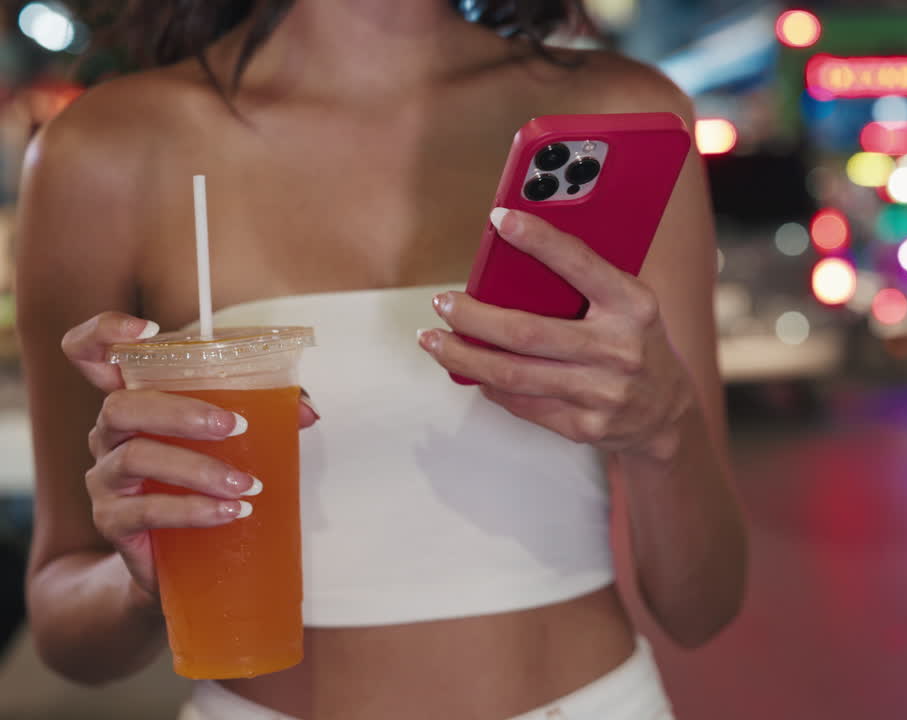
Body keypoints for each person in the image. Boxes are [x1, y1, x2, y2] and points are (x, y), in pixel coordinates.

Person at [14, 1, 748, 718]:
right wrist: (145, 576)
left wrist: (664, 428)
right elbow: (66, 631)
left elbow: (703, 607)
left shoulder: (619, 115)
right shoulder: (106, 150)